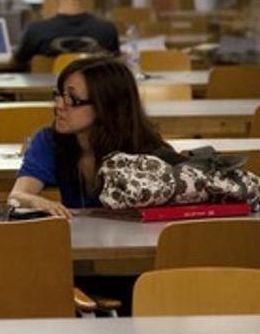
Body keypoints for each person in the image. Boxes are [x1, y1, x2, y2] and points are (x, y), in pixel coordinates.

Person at [10, 56, 175, 218]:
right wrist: (36, 202)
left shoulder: (148, 154)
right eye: (59, 94)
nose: (59, 105)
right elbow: (17, 196)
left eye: (72, 99)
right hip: (74, 241)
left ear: (106, 105)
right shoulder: (50, 141)